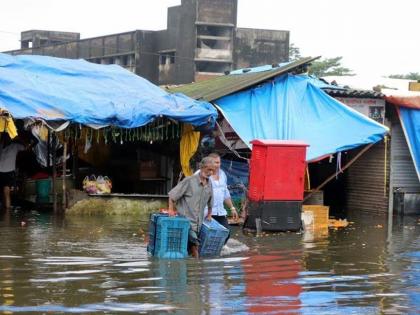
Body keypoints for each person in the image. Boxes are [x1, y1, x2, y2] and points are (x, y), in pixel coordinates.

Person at [168, 156, 215, 258]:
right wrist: (171, 210)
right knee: (195, 245)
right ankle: (197, 267)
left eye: (212, 170)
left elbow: (210, 201)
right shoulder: (189, 181)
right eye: (209, 169)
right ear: (202, 167)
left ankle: (191, 269)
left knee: (189, 249)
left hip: (198, 224)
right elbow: (172, 196)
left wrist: (210, 214)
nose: (210, 173)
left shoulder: (209, 183)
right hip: (185, 222)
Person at [203, 153, 238, 240]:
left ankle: (218, 251)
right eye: (215, 163)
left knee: (226, 234)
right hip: (205, 212)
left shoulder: (222, 174)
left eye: (218, 162)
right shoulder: (201, 174)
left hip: (220, 212)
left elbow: (225, 194)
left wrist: (232, 208)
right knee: (205, 235)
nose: (217, 165)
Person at [0, 135, 26, 210]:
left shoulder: (1, 145)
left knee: (3, 192)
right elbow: (25, 147)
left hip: (1, 171)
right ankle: (7, 214)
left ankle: (4, 210)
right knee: (6, 192)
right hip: (9, 171)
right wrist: (19, 139)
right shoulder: (16, 146)